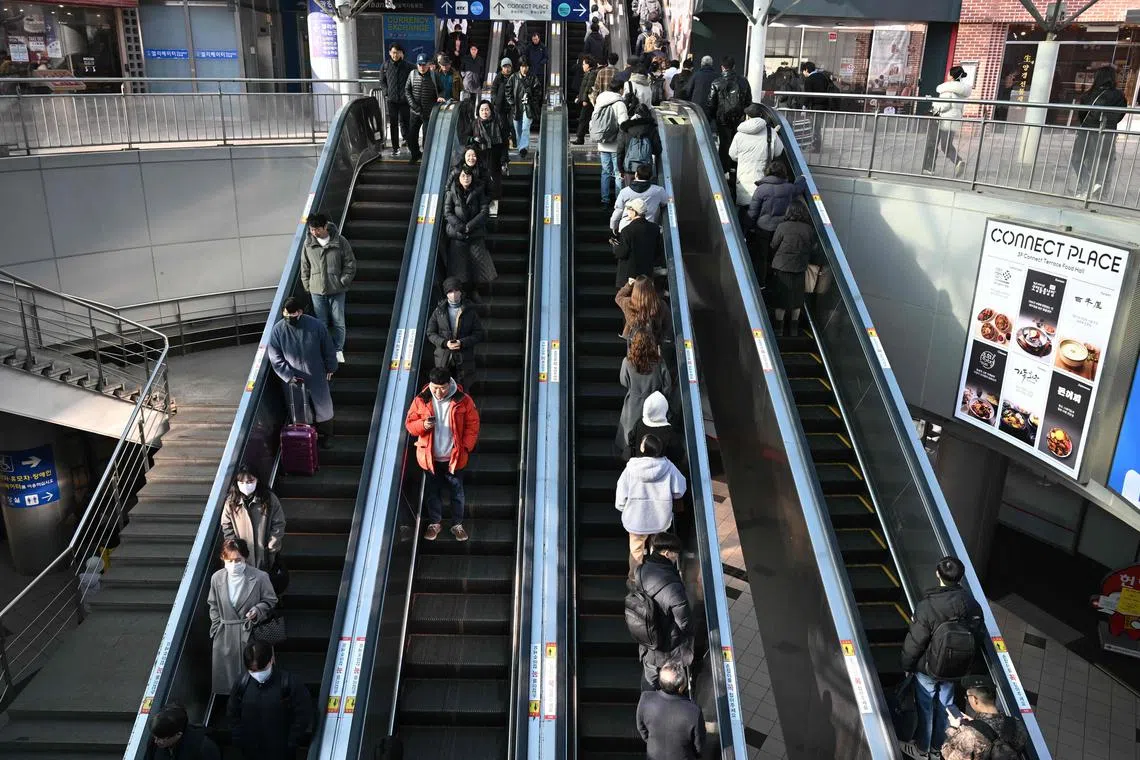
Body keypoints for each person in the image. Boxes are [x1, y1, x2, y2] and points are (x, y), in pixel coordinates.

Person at [900, 556, 983, 759]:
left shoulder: (927, 606)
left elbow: (916, 641)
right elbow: (978, 635)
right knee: (946, 707)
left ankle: (921, 749)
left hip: (929, 667)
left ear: (938, 573)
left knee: (926, 706)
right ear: (960, 577)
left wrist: (907, 664)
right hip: (956, 667)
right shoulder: (972, 605)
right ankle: (938, 749)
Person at [405, 367, 481, 542]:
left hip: (454, 457)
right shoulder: (421, 400)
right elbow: (410, 424)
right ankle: (435, 523)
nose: (438, 392)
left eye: (443, 388)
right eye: (435, 387)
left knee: (457, 492)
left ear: (450, 384)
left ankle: (457, 524)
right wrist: (423, 425)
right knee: (433, 492)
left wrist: (466, 447)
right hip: (429, 458)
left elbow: (473, 424)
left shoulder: (463, 400)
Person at [207, 538, 278, 695]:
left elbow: (271, 600)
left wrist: (257, 610)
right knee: (228, 681)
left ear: (245, 557)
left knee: (253, 675)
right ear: (223, 559)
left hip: (251, 632)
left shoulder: (260, 577)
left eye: (238, 559)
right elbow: (213, 604)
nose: (234, 564)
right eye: (229, 560)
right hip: (225, 634)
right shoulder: (217, 578)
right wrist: (216, 627)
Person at [267, 296, 337, 449]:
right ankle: (308, 437)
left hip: (316, 373)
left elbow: (328, 347)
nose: (288, 317)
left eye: (291, 314)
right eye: (286, 314)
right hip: (294, 379)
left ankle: (327, 436)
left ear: (299, 312)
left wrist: (331, 367)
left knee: (323, 406)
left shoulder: (315, 325)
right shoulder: (278, 330)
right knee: (300, 409)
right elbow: (275, 356)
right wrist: (288, 375)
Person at [227, 641, 314, 760]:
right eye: (253, 671)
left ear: (271, 660)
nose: (257, 674)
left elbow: (303, 714)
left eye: (261, 669)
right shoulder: (242, 683)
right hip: (250, 750)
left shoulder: (289, 683)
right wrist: (238, 739)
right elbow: (233, 712)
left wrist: (292, 741)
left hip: (281, 751)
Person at [628, 531, 692, 687]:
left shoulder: (641, 570)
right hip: (667, 646)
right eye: (675, 554)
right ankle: (670, 700)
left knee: (650, 677)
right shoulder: (673, 587)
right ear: (667, 553)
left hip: (647, 638)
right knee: (672, 680)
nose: (676, 558)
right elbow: (683, 623)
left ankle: (649, 697)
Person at [300, 212, 355, 364]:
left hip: (337, 289)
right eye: (311, 229)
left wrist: (343, 281)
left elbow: (350, 263)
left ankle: (338, 350)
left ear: (325, 227)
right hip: (316, 290)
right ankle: (325, 350)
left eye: (317, 229)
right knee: (321, 322)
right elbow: (304, 266)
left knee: (338, 321)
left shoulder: (340, 241)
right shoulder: (308, 244)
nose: (314, 232)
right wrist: (307, 285)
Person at [745, 161, 807, 285]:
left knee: (761, 257)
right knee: (775, 256)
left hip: (763, 228)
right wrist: (802, 177)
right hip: (780, 228)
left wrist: (747, 228)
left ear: (767, 172)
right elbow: (799, 187)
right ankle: (773, 282)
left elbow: (753, 212)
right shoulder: (789, 188)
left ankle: (760, 283)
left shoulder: (761, 189)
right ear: (783, 172)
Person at [1071, 65, 1127, 198]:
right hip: (1107, 132)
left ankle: (1087, 185)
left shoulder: (1088, 94)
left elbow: (1082, 114)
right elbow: (1120, 115)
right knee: (1101, 163)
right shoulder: (1119, 96)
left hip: (1087, 131)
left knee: (1077, 159)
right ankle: (1098, 192)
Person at [939, 677, 1029, 760]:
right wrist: (976, 723)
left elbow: (948, 756)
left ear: (975, 699)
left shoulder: (968, 734)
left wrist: (953, 728)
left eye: (967, 697)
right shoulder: (1017, 724)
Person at [616, 330, 674, 454]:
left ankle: (629, 453)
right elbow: (667, 385)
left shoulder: (627, 362)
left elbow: (623, 382)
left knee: (630, 431)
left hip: (633, 402)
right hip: (654, 402)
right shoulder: (659, 362)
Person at [221, 465, 285, 573]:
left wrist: (271, 547)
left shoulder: (269, 499)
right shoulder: (231, 502)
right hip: (241, 555)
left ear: (257, 480)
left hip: (264, 554)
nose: (246, 485)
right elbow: (226, 525)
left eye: (250, 481)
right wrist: (234, 547)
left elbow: (279, 523)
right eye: (241, 482)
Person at [636, 660, 705, 760]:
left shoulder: (646, 699)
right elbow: (699, 746)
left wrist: (651, 740)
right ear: (681, 687)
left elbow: (641, 728)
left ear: (660, 682)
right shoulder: (694, 711)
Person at [427, 276, 485, 391]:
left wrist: (462, 342)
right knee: (442, 388)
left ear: (461, 292)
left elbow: (479, 333)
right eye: (450, 291)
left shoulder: (470, 311)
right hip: (443, 358)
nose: (453, 294)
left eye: (456, 291)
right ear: (446, 293)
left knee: (463, 389)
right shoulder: (439, 311)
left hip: (464, 358)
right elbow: (430, 333)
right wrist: (444, 343)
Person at [444, 166, 496, 294]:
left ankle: (475, 291)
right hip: (457, 235)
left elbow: (484, 212)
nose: (465, 178)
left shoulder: (479, 191)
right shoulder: (452, 193)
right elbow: (447, 212)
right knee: (458, 268)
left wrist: (469, 226)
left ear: (472, 178)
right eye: (463, 176)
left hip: (475, 234)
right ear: (458, 178)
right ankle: (462, 293)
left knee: (479, 266)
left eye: (468, 176)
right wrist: (461, 227)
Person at [768, 200, 816, 337]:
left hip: (782, 267)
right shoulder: (808, 229)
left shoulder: (783, 226)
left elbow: (774, 244)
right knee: (797, 299)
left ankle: (779, 329)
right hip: (800, 267)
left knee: (781, 299)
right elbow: (812, 247)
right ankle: (794, 328)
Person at [729, 104, 784, 207]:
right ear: (761, 116)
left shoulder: (739, 135)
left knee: (745, 212)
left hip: (743, 183)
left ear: (747, 116)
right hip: (763, 183)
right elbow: (778, 152)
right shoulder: (771, 132)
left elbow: (732, 155)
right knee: (760, 208)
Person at [923, 65, 971, 177]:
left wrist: (933, 103)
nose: (947, 75)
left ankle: (929, 168)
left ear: (952, 76)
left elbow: (944, 105)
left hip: (940, 119)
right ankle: (958, 161)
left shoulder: (947, 88)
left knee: (932, 143)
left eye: (949, 73)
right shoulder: (962, 91)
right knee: (946, 146)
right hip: (953, 120)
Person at [706, 55, 752, 171]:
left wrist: (712, 116)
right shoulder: (743, 81)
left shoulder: (716, 82)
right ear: (734, 66)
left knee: (724, 143)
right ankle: (735, 167)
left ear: (722, 67)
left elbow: (711, 102)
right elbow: (748, 100)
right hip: (739, 118)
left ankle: (724, 169)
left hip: (722, 119)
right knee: (738, 142)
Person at [593, 80, 630, 205]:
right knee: (618, 172)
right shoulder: (619, 103)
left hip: (602, 142)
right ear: (620, 89)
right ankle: (618, 203)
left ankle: (605, 200)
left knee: (605, 172)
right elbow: (623, 123)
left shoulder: (600, 99)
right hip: (616, 144)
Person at [613, 197, 662, 287]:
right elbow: (657, 251)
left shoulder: (627, 230)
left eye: (629, 209)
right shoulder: (654, 228)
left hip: (628, 277)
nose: (627, 211)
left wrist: (615, 247)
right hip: (646, 275)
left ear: (634, 212)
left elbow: (621, 253)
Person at [145, 705, 221, 760]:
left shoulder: (204, 749)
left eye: (161, 738)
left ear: (178, 734)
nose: (155, 741)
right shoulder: (157, 736)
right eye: (155, 737)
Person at [405, 53, 441, 163]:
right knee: (412, 136)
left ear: (429, 65)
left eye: (424, 64)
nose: (422, 67)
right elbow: (407, 90)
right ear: (417, 65)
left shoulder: (434, 76)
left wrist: (440, 98)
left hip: (429, 113)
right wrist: (414, 106)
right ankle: (415, 154)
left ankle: (426, 158)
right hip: (414, 112)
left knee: (427, 138)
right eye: (419, 64)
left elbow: (442, 90)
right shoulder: (412, 74)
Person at [378, 43, 412, 157]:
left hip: (404, 100)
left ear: (401, 53)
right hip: (391, 100)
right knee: (393, 124)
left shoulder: (407, 66)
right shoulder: (385, 66)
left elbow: (416, 75)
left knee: (406, 122)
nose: (395, 55)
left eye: (397, 52)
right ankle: (395, 147)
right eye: (393, 52)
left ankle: (408, 142)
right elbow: (382, 81)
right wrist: (386, 92)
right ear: (389, 53)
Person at [611, 164, 667, 234]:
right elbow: (665, 202)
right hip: (648, 228)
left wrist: (614, 226)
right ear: (651, 176)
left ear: (636, 175)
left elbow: (618, 210)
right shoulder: (658, 190)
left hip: (626, 227)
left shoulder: (624, 191)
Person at [471, 99, 509, 201]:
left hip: (495, 157)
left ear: (491, 110)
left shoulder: (498, 122)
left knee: (495, 182)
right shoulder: (475, 124)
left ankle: (494, 204)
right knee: (480, 180)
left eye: (487, 110)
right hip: (480, 157)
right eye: (482, 110)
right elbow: (468, 140)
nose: (484, 112)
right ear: (478, 111)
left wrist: (504, 158)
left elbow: (505, 142)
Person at [616, 274, 669, 343]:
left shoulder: (628, 303)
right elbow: (667, 325)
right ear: (651, 289)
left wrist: (629, 285)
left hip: (632, 340)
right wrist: (660, 338)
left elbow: (618, 297)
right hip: (653, 341)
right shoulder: (660, 305)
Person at [618, 102, 662, 182]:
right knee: (646, 192)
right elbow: (658, 149)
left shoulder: (626, 128)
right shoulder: (651, 128)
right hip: (646, 170)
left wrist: (621, 169)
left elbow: (620, 151)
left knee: (629, 193)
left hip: (629, 168)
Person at [508, 58, 542, 157]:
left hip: (528, 107)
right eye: (522, 66)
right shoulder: (514, 77)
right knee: (517, 128)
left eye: (526, 66)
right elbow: (508, 90)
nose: (524, 68)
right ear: (519, 67)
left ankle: (523, 147)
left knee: (525, 127)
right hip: (516, 107)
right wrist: (512, 103)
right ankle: (521, 146)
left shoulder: (533, 77)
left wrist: (532, 100)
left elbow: (538, 91)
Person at [800, 61, 831, 152]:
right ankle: (816, 145)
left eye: (803, 71)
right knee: (817, 126)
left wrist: (804, 107)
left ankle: (815, 146)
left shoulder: (809, 79)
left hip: (815, 106)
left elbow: (808, 95)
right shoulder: (823, 77)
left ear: (806, 70)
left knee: (814, 127)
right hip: (824, 105)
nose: (803, 73)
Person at [490, 58, 515, 145]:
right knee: (503, 124)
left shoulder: (514, 77)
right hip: (501, 105)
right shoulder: (498, 77)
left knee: (512, 123)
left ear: (511, 67)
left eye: (508, 66)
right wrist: (495, 100)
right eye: (504, 67)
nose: (507, 69)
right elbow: (493, 90)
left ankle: (514, 141)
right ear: (501, 68)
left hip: (512, 105)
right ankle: (506, 142)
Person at [574, 55, 598, 145]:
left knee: (583, 119)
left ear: (588, 65)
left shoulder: (592, 74)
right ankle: (580, 137)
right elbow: (583, 88)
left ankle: (580, 138)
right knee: (583, 118)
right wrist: (579, 96)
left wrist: (585, 100)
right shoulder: (588, 73)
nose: (582, 66)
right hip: (584, 99)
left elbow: (588, 87)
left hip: (587, 101)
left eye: (584, 64)